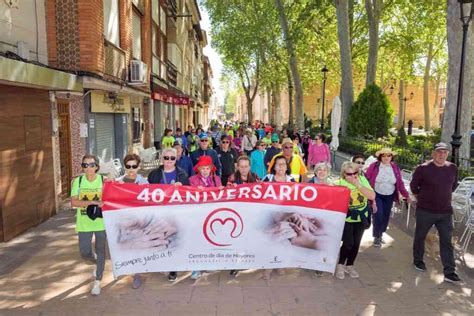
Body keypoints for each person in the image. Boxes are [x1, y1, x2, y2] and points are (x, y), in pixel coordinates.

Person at [410, 142, 462, 285]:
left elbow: (453, 185)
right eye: (439, 152)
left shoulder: (452, 168)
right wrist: (423, 198)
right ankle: (418, 261)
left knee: (446, 241)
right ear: (433, 153)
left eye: (445, 152)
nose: (442, 154)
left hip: (445, 212)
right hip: (425, 210)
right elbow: (414, 186)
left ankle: (450, 272)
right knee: (420, 237)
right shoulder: (423, 168)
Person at [148, 148, 190, 282]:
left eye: (172, 158)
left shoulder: (182, 175)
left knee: (172, 240)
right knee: (160, 239)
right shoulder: (153, 174)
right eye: (166, 158)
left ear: (176, 159)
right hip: (159, 212)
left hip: (175, 213)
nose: (169, 161)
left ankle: (173, 269)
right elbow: (145, 191)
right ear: (162, 158)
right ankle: (161, 262)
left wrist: (182, 187)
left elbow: (188, 194)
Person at [70, 155, 106, 296]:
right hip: (84, 223)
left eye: (91, 165)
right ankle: (96, 261)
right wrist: (93, 203)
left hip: (100, 223)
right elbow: (74, 202)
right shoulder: (78, 182)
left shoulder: (104, 181)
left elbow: (111, 198)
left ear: (96, 166)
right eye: (85, 165)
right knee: (84, 252)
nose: (88, 168)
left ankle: (98, 280)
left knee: (101, 250)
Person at [334, 161, 375, 280]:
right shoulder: (339, 183)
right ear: (344, 174)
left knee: (356, 243)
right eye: (349, 174)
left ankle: (350, 265)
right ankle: (340, 265)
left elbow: (372, 196)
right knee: (348, 243)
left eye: (355, 173)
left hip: (361, 217)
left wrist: (357, 184)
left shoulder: (362, 180)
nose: (353, 176)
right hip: (347, 218)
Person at [115, 154, 148, 289]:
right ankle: (124, 267)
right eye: (128, 166)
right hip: (123, 221)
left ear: (138, 167)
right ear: (124, 166)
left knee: (137, 247)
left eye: (134, 166)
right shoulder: (118, 183)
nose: (131, 169)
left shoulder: (144, 183)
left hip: (139, 220)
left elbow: (150, 199)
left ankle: (137, 275)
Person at [365, 148, 410, 247]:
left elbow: (400, 183)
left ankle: (381, 233)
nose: (386, 157)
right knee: (378, 214)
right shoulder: (374, 166)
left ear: (391, 157)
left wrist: (406, 195)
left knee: (386, 216)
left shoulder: (395, 168)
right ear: (380, 157)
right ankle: (376, 236)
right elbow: (366, 178)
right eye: (384, 155)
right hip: (376, 194)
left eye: (388, 155)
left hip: (389, 195)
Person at [189, 155, 223, 280]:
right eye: (202, 168)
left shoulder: (217, 179)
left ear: (211, 169)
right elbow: (189, 194)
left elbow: (222, 195)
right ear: (198, 169)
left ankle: (209, 262)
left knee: (211, 238)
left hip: (213, 214)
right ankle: (195, 267)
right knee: (198, 239)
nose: (204, 171)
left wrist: (221, 190)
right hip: (198, 214)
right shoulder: (192, 179)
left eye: (207, 168)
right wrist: (195, 190)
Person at [261, 156, 295, 280]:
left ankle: (279, 264)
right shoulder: (268, 178)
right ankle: (268, 267)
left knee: (282, 240)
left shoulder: (292, 180)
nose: (281, 167)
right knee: (270, 240)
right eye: (278, 164)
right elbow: (259, 193)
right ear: (274, 166)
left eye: (283, 164)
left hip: (285, 215)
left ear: (287, 167)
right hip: (269, 215)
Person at [227, 156, 260, 277]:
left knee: (250, 238)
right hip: (237, 213)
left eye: (246, 166)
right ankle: (235, 264)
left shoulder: (255, 177)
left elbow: (261, 192)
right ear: (237, 166)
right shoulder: (232, 177)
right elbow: (227, 194)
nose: (244, 169)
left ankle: (249, 259)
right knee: (237, 239)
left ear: (249, 167)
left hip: (251, 213)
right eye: (241, 166)